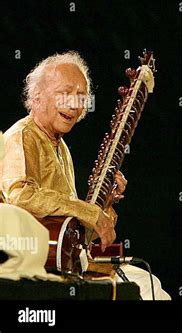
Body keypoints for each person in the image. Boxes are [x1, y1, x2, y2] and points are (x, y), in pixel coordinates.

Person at [0, 51, 170, 300]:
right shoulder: (22, 135)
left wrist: (106, 205)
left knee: (148, 282)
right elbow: (19, 195)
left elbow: (67, 232)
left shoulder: (61, 147)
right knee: (146, 287)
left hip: (62, 264)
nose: (75, 104)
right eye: (65, 93)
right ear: (37, 97)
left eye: (81, 97)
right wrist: (88, 211)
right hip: (29, 266)